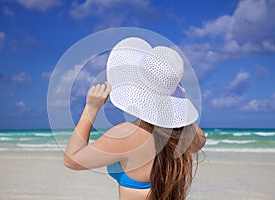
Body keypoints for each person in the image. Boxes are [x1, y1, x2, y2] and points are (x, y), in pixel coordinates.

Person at [64, 37, 206, 200]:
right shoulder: (182, 136)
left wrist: (91, 108)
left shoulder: (127, 134)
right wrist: (177, 103)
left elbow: (71, 160)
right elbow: (201, 138)